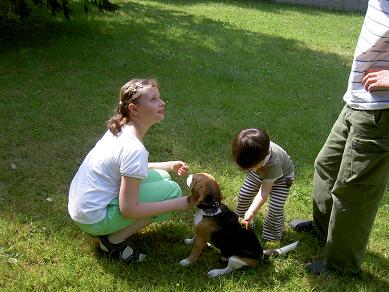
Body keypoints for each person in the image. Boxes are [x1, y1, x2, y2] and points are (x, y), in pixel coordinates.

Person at [291, 0, 389, 276]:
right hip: (359, 99)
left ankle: (342, 265)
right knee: (327, 165)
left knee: (354, 191)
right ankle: (323, 230)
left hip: (381, 109)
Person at [68, 78, 191, 263]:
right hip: (94, 219)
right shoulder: (134, 149)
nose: (162, 102)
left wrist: (167, 165)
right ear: (134, 109)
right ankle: (113, 242)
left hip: (82, 209)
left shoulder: (119, 129)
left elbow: (126, 169)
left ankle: (112, 236)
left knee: (164, 177)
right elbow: (128, 210)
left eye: (159, 97)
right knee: (172, 191)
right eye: (153, 99)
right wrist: (180, 203)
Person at [232, 128, 294, 241]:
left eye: (249, 167)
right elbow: (252, 167)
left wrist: (252, 210)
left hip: (281, 178)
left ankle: (272, 235)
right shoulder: (254, 153)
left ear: (262, 159)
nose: (248, 170)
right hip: (259, 172)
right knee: (244, 195)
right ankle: (241, 222)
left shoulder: (273, 163)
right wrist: (253, 169)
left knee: (276, 207)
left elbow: (264, 191)